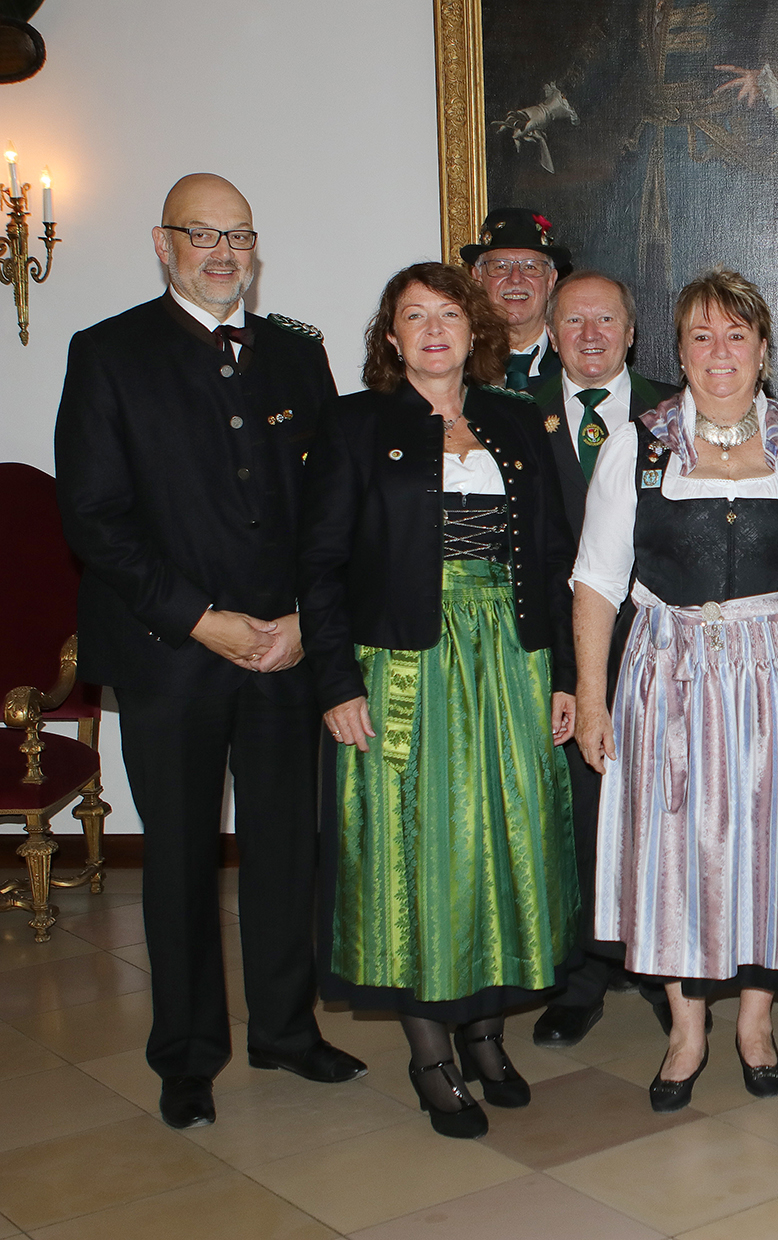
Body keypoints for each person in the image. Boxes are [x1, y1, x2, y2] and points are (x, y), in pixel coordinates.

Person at [54, 173, 367, 1131]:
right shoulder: (108, 354)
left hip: (283, 653)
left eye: (239, 235)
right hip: (171, 654)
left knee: (285, 849)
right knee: (182, 860)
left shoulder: (297, 355)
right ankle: (187, 1056)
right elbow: (96, 521)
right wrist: (203, 620)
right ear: (163, 243)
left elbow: (328, 510)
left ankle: (285, 1028)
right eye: (203, 234)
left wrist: (307, 624)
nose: (225, 253)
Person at [572, 268, 778, 1112]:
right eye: (701, 337)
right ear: (680, 352)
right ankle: (687, 1026)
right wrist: (592, 697)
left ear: (764, 349)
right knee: (677, 848)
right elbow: (596, 581)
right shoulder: (639, 444)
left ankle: (756, 1022)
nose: (719, 353)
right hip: (671, 672)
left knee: (772, 842)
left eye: (736, 336)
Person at [299, 262, 581, 1139]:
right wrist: (337, 684)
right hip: (402, 668)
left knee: (505, 843)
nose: (431, 329)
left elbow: (556, 558)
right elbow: (319, 567)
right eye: (411, 315)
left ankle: (489, 1039)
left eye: (447, 313)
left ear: (475, 329)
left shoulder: (514, 421)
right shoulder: (354, 425)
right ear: (390, 337)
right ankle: (432, 1058)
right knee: (416, 852)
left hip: (510, 659)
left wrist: (568, 673)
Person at [527, 270, 676, 1050]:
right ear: (552, 332)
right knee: (577, 816)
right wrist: (560, 672)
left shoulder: (671, 410)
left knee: (658, 812)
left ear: (631, 333)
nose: (590, 335)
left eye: (606, 320)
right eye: (573, 321)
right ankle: (580, 975)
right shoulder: (515, 416)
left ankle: (658, 968)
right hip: (557, 649)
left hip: (660, 647)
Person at [462, 207, 571, 391]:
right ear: (478, 278)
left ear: (551, 280)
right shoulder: (459, 364)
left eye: (530, 267)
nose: (515, 278)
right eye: (500, 266)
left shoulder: (574, 360)